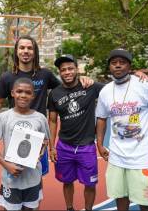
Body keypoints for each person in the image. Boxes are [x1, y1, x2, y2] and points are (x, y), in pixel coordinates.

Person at [0, 35, 93, 176]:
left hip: (39, 135)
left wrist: (81, 78)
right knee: (14, 174)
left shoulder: (45, 74)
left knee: (37, 175)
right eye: (22, 48)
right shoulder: (7, 77)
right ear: (16, 51)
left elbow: (66, 88)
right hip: (15, 134)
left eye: (29, 48)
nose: (25, 51)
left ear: (35, 52)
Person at [96, 48, 148, 211]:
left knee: (147, 203)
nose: (117, 66)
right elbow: (101, 118)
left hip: (142, 157)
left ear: (129, 66)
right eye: (114, 63)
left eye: (122, 63)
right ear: (109, 66)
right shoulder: (105, 91)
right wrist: (100, 144)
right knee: (120, 198)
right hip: (117, 157)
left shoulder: (145, 85)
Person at [48, 54, 104, 211]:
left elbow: (115, 88)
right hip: (64, 146)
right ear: (59, 72)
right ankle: (70, 208)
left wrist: (137, 76)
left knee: (90, 184)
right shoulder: (54, 94)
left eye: (70, 68)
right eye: (63, 70)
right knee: (67, 181)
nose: (67, 72)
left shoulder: (90, 86)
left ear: (77, 69)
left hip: (86, 146)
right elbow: (52, 121)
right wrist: (52, 146)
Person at [0, 77, 50, 210]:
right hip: (11, 179)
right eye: (19, 91)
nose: (23, 95)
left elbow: (44, 143)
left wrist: (39, 154)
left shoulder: (40, 118)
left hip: (33, 177)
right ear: (12, 93)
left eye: (28, 92)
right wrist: (6, 165)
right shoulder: (4, 117)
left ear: (33, 95)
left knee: (30, 208)